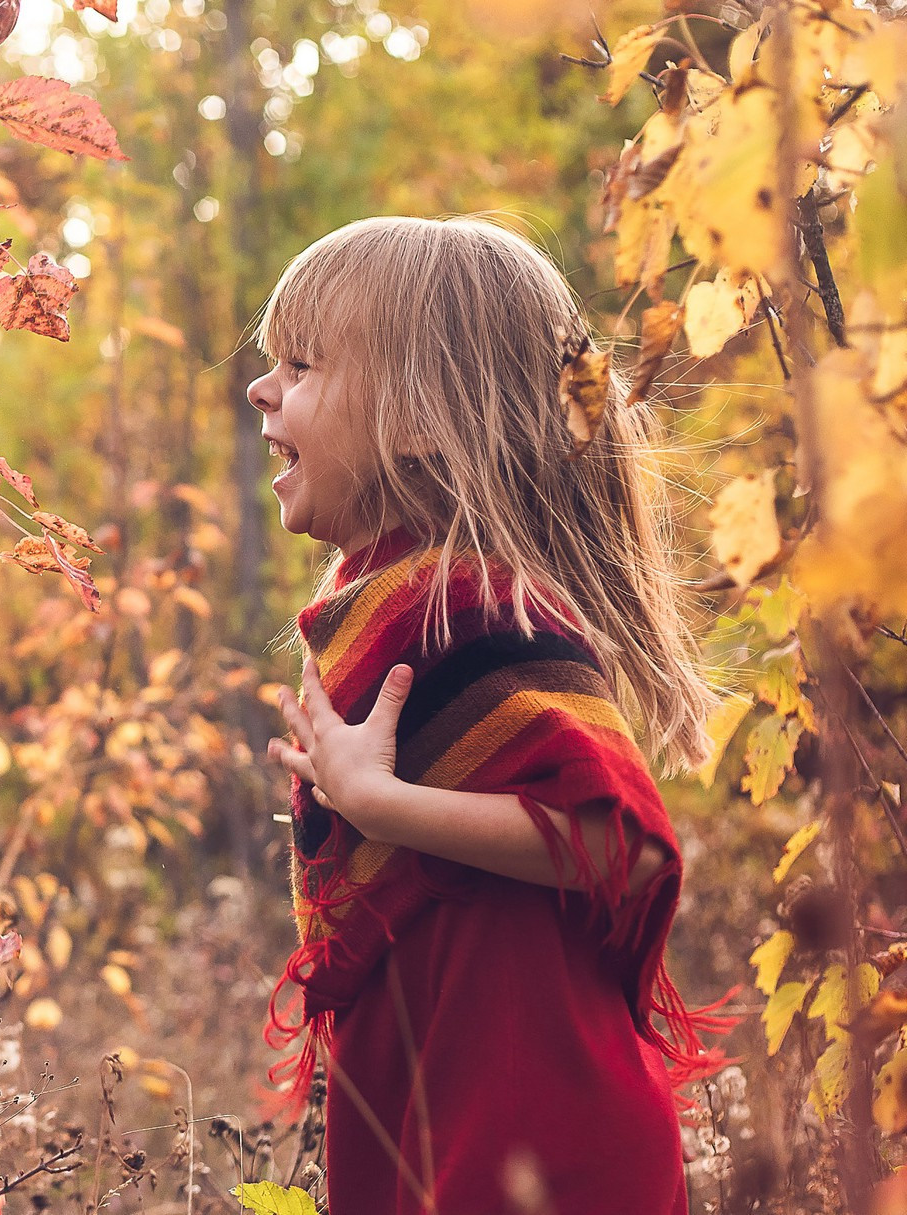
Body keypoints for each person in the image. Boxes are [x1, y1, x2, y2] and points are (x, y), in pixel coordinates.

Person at [252, 216, 724, 1215]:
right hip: (437, 1113)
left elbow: (623, 847)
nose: (262, 389)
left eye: (299, 364)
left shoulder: (474, 604)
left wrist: (384, 807)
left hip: (535, 1131)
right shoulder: (384, 606)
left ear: (422, 415)